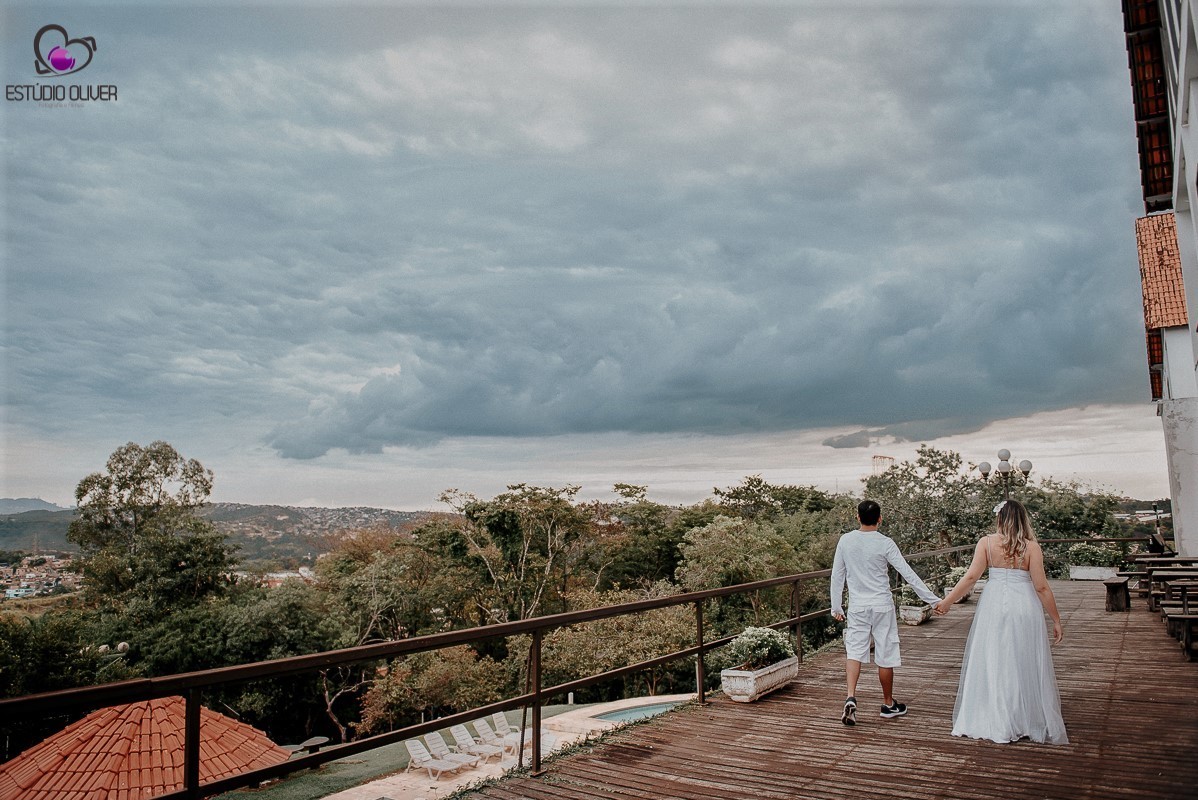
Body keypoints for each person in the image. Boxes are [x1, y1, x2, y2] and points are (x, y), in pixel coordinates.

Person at [935, 498, 1068, 744]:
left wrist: (947, 602)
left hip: (994, 605)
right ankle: (1021, 716)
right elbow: (1041, 587)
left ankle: (994, 715)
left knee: (994, 657)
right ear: (1022, 520)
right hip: (1024, 605)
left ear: (999, 519)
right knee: (1021, 659)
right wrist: (1056, 619)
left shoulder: (986, 543)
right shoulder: (1032, 548)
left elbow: (972, 576)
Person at [831, 499, 941, 726]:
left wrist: (836, 606)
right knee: (885, 652)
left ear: (858, 517)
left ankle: (850, 696)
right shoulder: (886, 543)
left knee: (854, 651)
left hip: (858, 607)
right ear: (880, 518)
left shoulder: (846, 541)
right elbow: (908, 573)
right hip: (882, 605)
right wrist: (933, 600)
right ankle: (889, 704)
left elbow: (837, 575)